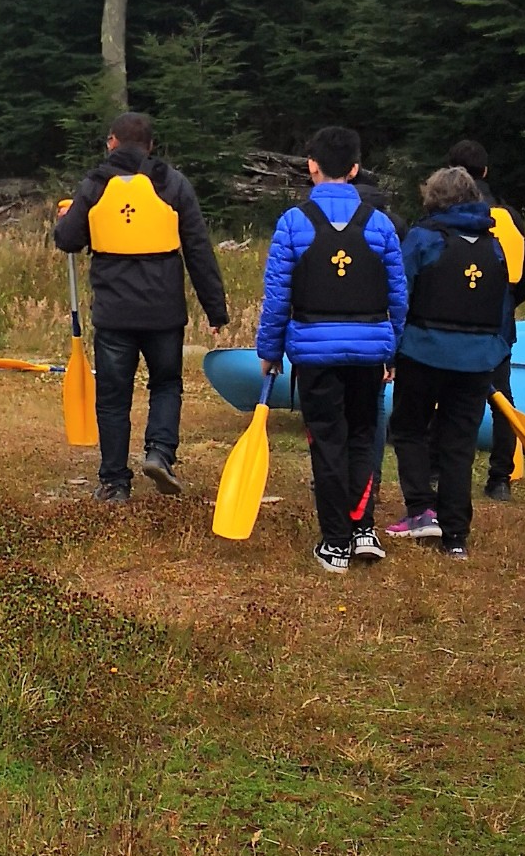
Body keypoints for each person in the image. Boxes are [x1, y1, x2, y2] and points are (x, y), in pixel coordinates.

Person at [53, 111, 230, 504]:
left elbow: (68, 240)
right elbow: (198, 248)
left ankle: (115, 481)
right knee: (165, 384)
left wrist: (63, 221)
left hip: (114, 314)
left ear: (112, 142)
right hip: (163, 312)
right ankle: (160, 453)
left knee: (114, 396)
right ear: (150, 146)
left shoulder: (95, 185)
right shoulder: (172, 183)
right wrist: (215, 310)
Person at [254, 126, 408, 573]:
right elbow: (398, 296)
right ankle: (362, 529)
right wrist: (391, 350)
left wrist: (269, 350)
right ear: (356, 170)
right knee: (363, 438)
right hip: (368, 353)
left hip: (315, 355)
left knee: (327, 442)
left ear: (311, 166)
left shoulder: (292, 223)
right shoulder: (380, 225)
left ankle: (336, 543)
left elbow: (278, 295)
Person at [382, 166, 513, 559]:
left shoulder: (423, 239)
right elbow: (504, 309)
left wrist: (390, 351)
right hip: (477, 361)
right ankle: (456, 536)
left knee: (408, 428)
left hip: (422, 353)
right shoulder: (494, 245)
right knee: (459, 444)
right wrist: (495, 355)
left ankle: (421, 510)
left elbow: (398, 297)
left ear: (432, 198)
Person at [446, 139, 525, 500]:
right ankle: (500, 477)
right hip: (497, 324)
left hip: (449, 321)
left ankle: (441, 468)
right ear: (485, 172)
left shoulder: (441, 218)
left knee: (444, 395)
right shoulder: (507, 216)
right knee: (501, 397)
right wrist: (509, 303)